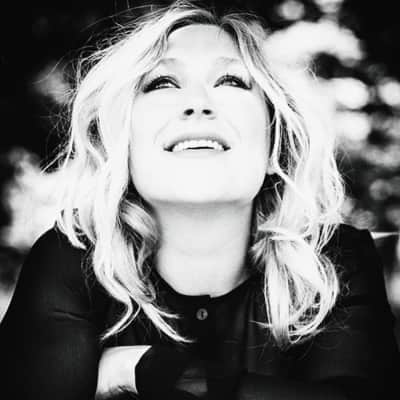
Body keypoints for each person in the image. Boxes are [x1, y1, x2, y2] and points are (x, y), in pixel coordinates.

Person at [1, 1, 399, 399]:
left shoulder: (333, 263)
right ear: (122, 144)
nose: (197, 103)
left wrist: (144, 370)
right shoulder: (72, 263)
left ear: (274, 142)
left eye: (230, 81)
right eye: (162, 83)